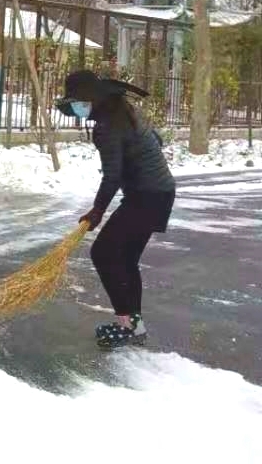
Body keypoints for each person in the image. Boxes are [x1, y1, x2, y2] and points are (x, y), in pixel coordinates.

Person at [57, 69, 176, 349]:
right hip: (157, 193)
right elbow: (155, 140)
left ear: (92, 99)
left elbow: (112, 175)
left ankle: (129, 325)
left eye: (78, 101)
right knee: (124, 259)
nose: (77, 106)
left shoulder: (108, 126)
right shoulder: (123, 112)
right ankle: (133, 325)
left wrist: (97, 211)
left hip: (146, 196)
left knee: (103, 253)